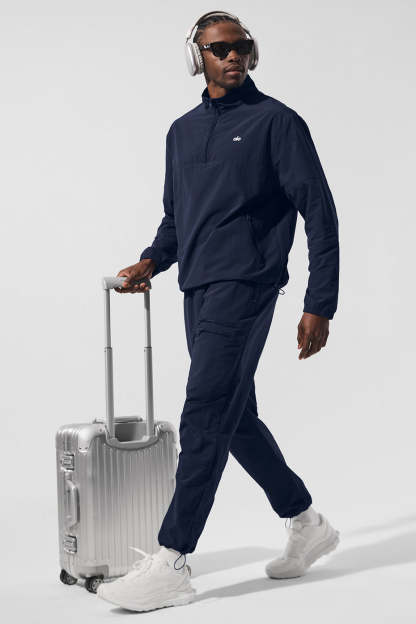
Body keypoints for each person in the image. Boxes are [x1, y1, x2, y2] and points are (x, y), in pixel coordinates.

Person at [97, 10, 340, 613]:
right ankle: (306, 521)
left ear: (252, 53)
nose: (233, 56)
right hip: (198, 287)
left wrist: (319, 303)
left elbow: (319, 211)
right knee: (234, 416)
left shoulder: (277, 122)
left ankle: (172, 558)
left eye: (241, 46)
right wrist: (151, 261)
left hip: (247, 284)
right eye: (219, 48)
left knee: (204, 410)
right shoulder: (181, 132)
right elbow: (177, 218)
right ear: (197, 57)